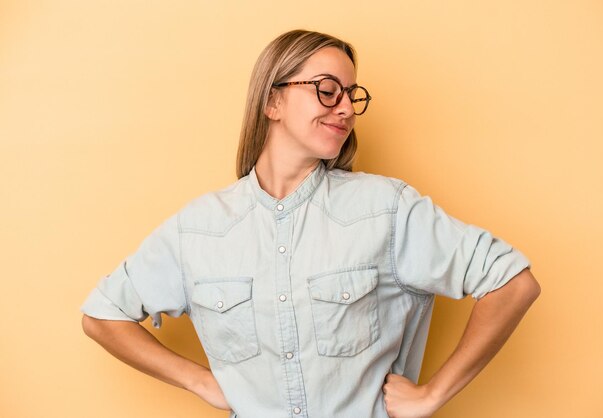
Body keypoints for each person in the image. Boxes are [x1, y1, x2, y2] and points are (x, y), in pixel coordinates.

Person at [81, 29, 541, 418]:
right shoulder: (198, 229)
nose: (345, 108)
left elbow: (512, 281)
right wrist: (199, 381)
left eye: (351, 95)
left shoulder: (385, 208)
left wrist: (432, 395)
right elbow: (102, 315)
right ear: (272, 101)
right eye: (327, 89)